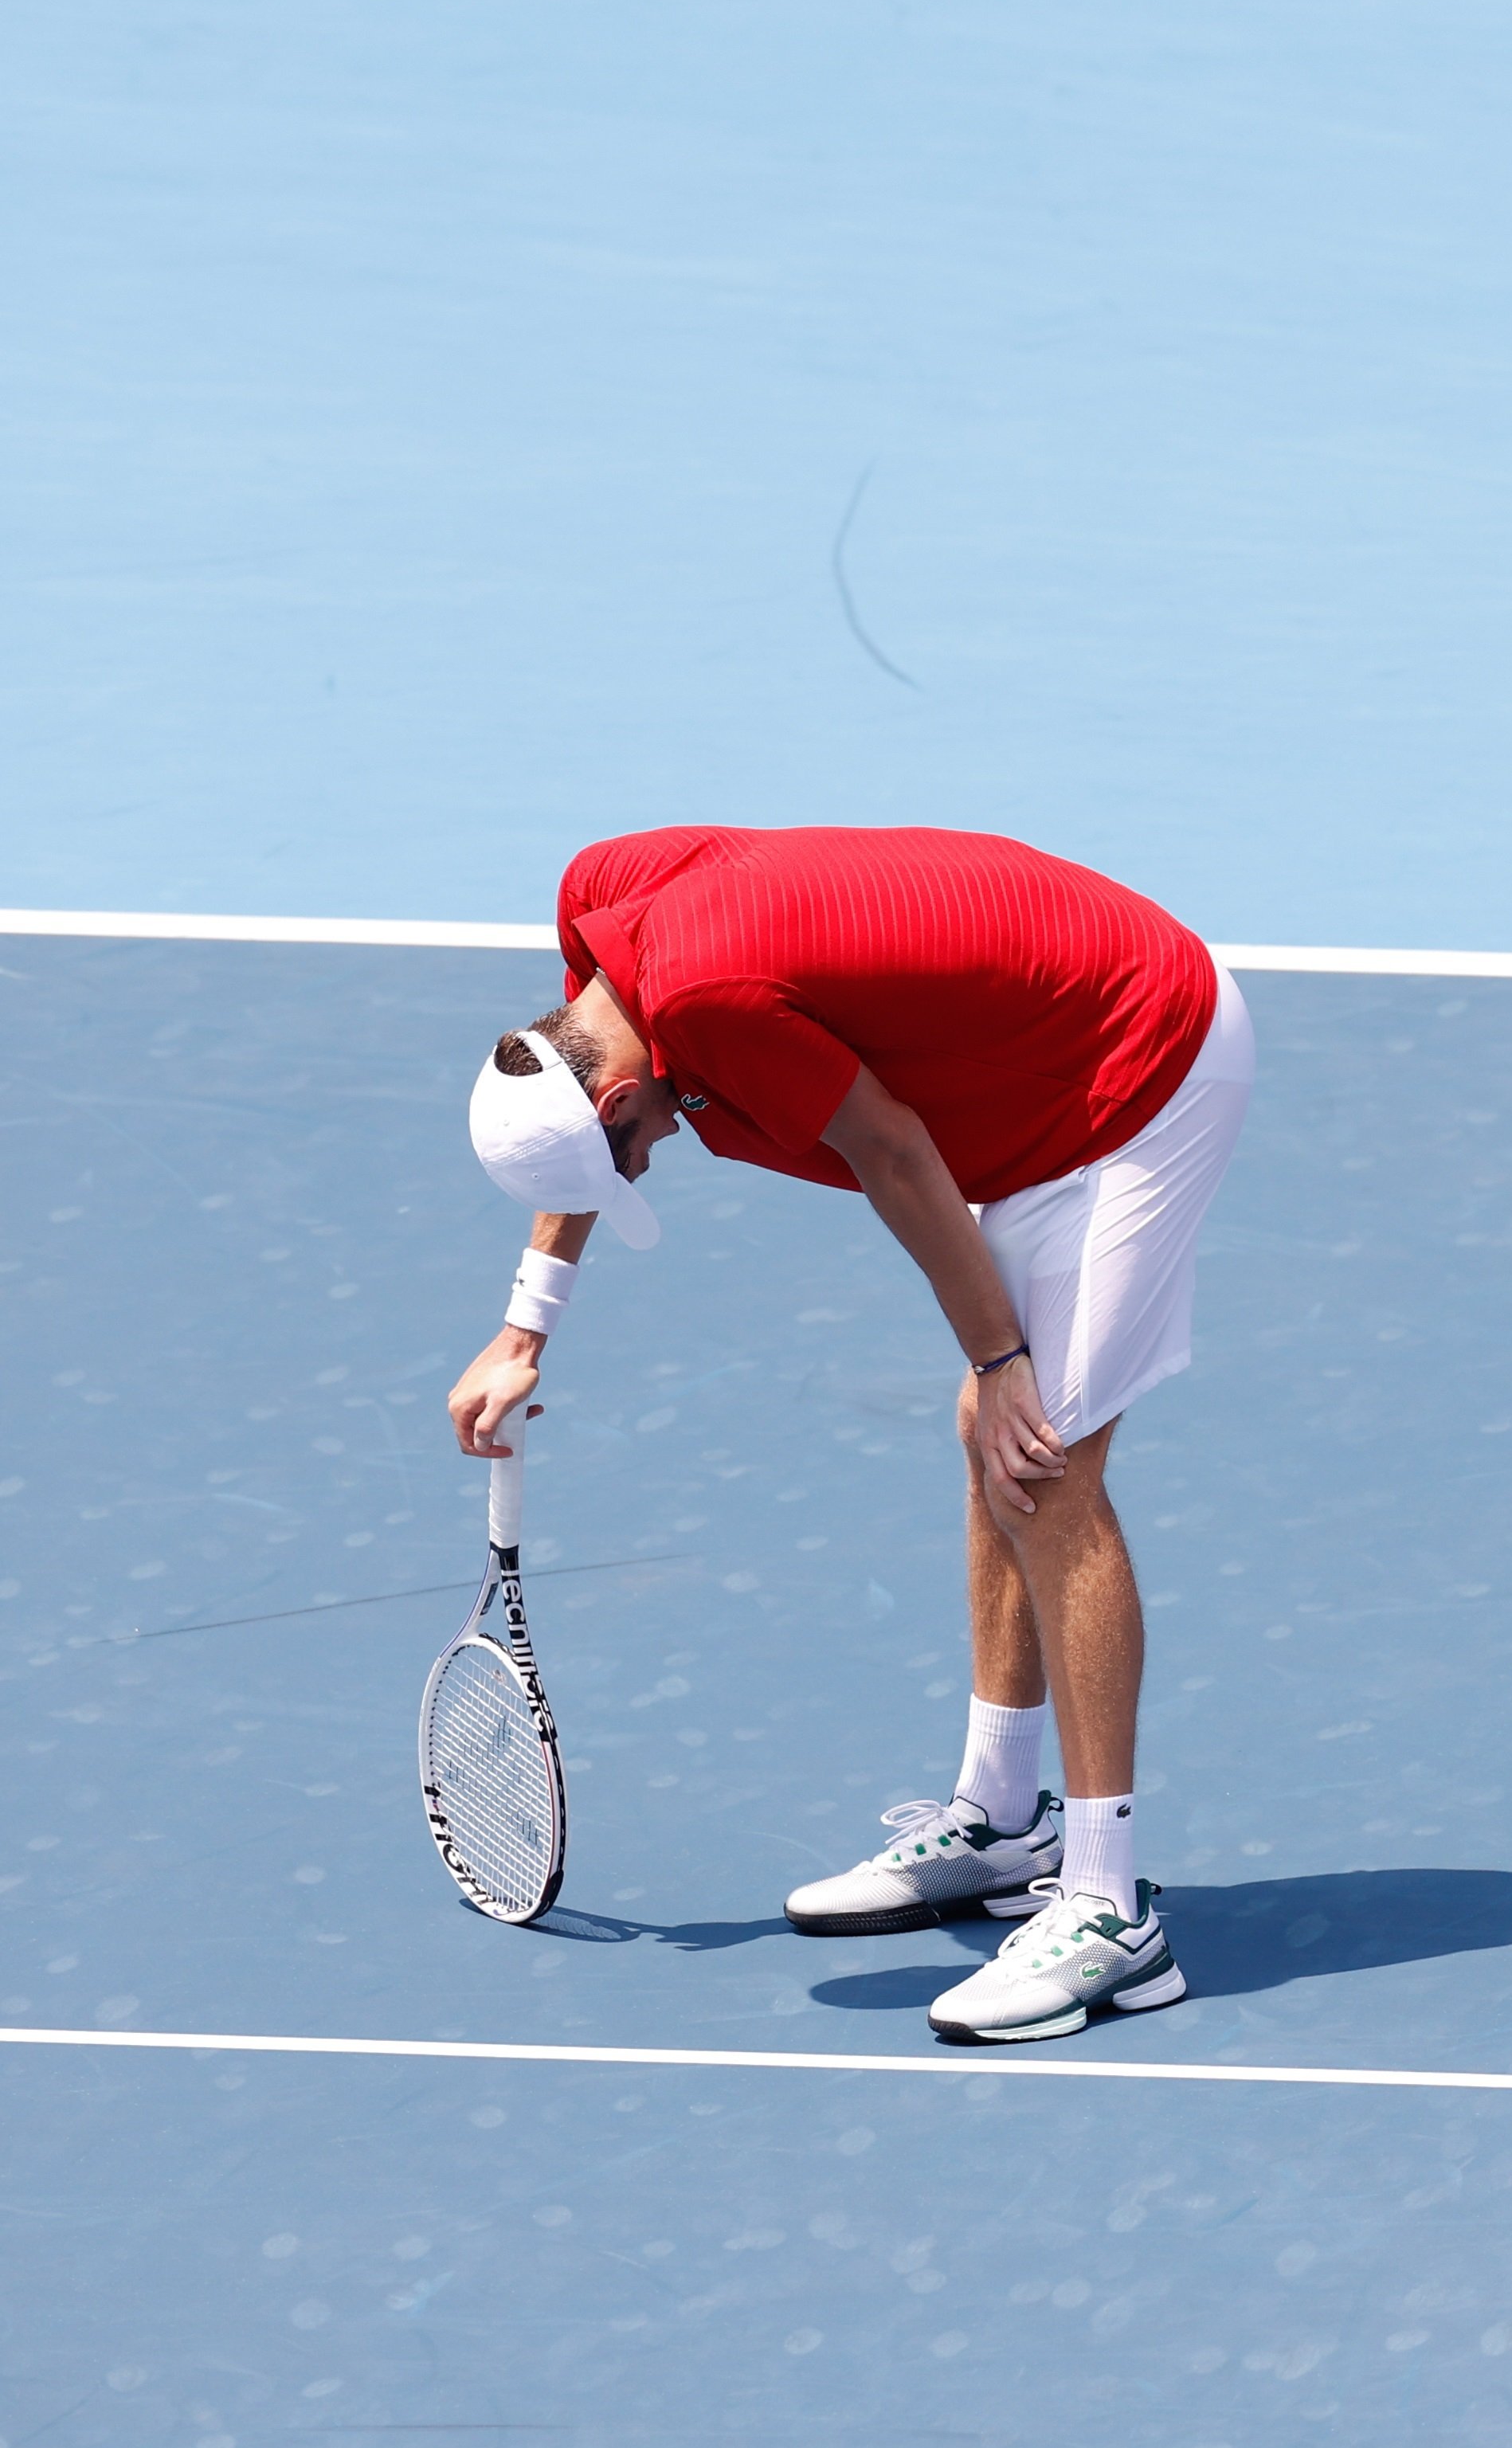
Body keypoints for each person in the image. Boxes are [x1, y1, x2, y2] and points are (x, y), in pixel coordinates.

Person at [445, 824, 1252, 2044]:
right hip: (1037, 1049)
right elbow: (608, 1110)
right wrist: (525, 1327)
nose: (650, 1164)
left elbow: (891, 1149)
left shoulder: (708, 1002)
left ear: (613, 1092)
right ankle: (1000, 1818)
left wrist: (1001, 1359)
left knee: (1044, 1461)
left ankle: (1109, 1912)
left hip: (1134, 1060)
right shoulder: (603, 918)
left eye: (635, 1156)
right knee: (998, 1436)